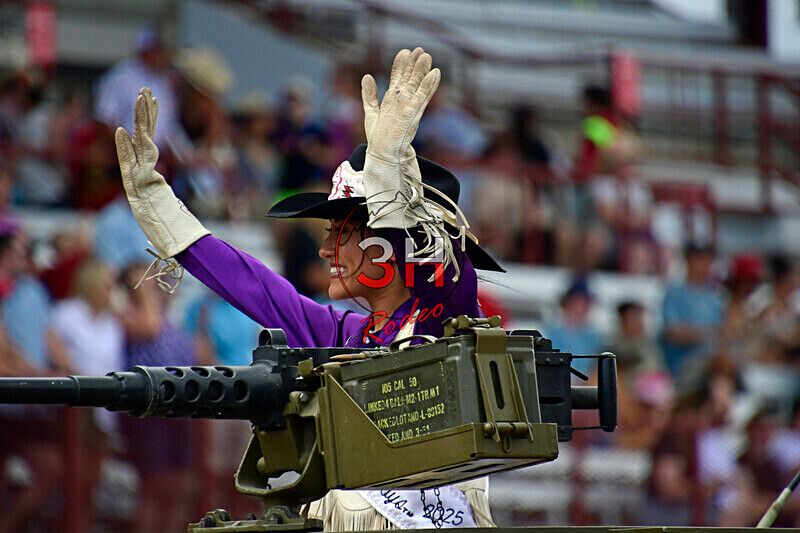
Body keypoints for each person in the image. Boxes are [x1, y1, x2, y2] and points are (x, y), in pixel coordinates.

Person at [114, 49, 500, 530]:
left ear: (385, 246)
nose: (324, 250)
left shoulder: (444, 319)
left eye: (341, 231)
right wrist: (165, 213)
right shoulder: (347, 332)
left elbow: (439, 269)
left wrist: (384, 176)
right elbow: (252, 286)